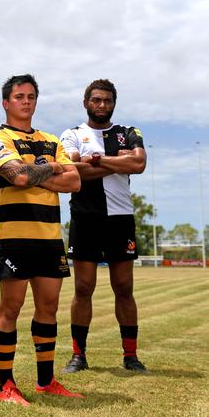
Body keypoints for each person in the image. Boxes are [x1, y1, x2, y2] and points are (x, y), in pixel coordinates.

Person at [0, 74, 83, 406]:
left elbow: (76, 182)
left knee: (49, 308)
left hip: (49, 236)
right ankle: (6, 385)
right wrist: (51, 171)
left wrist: (42, 170)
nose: (26, 101)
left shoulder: (51, 140)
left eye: (31, 96)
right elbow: (17, 176)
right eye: (19, 96)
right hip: (13, 237)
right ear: (6, 103)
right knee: (11, 307)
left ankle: (45, 381)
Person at [60, 79, 148, 373]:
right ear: (86, 102)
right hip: (85, 216)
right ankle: (78, 356)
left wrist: (96, 161)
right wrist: (115, 162)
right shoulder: (72, 134)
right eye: (96, 100)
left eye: (107, 101)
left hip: (120, 218)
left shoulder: (128, 133)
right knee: (83, 288)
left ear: (113, 103)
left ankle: (131, 356)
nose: (102, 105)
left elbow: (138, 165)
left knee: (124, 288)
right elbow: (72, 170)